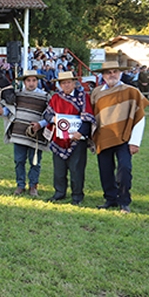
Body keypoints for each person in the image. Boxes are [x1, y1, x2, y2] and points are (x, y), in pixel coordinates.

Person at [90, 61, 149, 214]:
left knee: (124, 170)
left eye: (115, 71)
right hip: (103, 137)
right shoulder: (96, 93)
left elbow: (140, 117)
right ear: (103, 75)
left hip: (124, 138)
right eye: (108, 72)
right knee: (105, 171)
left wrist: (135, 142)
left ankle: (124, 201)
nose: (112, 75)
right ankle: (110, 199)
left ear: (120, 73)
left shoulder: (131, 91)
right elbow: (91, 116)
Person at [42, 71, 95, 205]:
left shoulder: (83, 96)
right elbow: (46, 114)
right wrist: (53, 119)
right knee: (59, 169)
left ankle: (77, 195)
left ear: (74, 83)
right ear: (59, 85)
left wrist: (81, 132)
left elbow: (88, 116)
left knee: (76, 169)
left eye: (69, 82)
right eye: (63, 83)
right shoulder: (56, 98)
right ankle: (59, 192)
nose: (66, 85)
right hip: (59, 138)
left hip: (77, 139)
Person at [0, 70, 50, 196]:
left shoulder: (45, 97)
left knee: (35, 162)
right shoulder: (17, 95)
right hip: (19, 133)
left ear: (38, 81)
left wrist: (40, 124)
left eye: (34, 80)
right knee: (19, 160)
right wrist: (1, 111)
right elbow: (9, 110)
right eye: (28, 80)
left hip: (36, 134)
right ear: (24, 82)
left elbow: (50, 115)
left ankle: (33, 186)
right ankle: (20, 185)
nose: (31, 83)